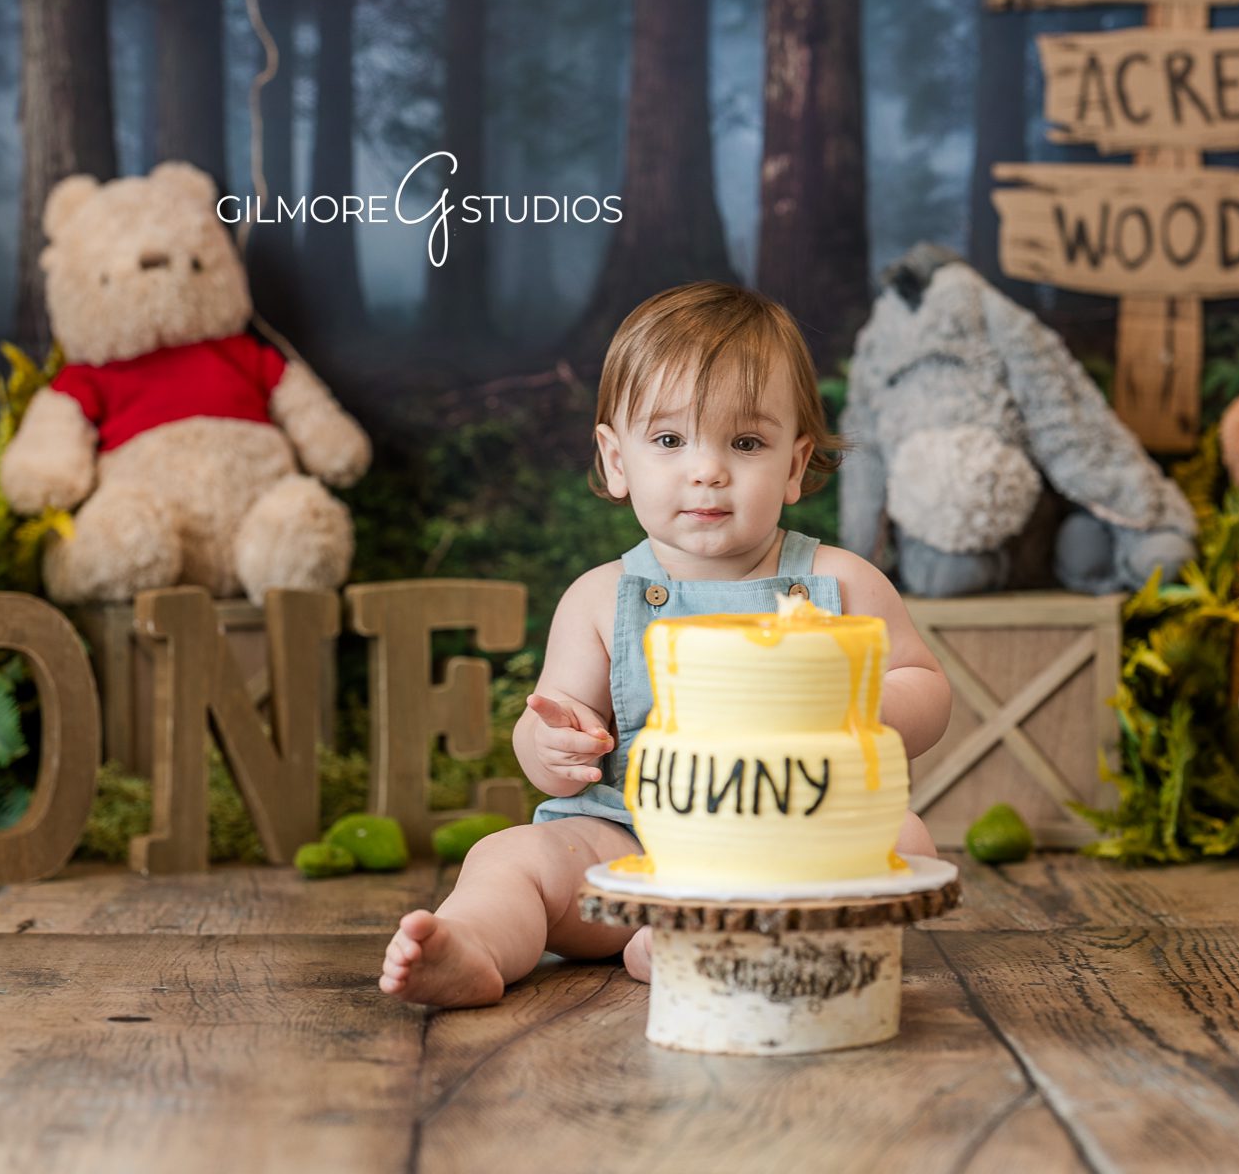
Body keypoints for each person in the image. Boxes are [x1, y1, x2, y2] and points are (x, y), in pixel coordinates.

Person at [379, 282, 952, 1008]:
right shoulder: (600, 597)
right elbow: (550, 725)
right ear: (617, 461)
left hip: (792, 840)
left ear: (796, 464)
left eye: (745, 442)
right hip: (629, 846)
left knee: (907, 838)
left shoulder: (840, 584)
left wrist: (859, 700)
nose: (707, 469)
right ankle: (475, 943)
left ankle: (721, 938)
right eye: (670, 440)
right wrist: (555, 749)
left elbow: (926, 689)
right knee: (511, 856)